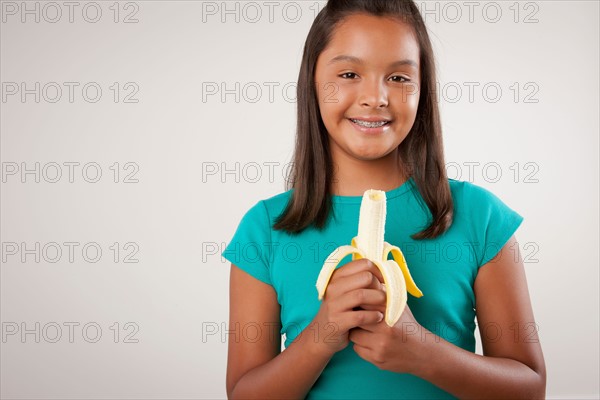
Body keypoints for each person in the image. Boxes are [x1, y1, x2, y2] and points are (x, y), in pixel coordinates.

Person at [222, 0, 546, 398]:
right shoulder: (264, 230)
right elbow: (243, 394)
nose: (375, 97)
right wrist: (321, 336)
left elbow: (530, 389)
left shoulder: (481, 218)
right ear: (312, 83)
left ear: (422, 90)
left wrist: (422, 353)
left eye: (398, 77)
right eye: (348, 73)